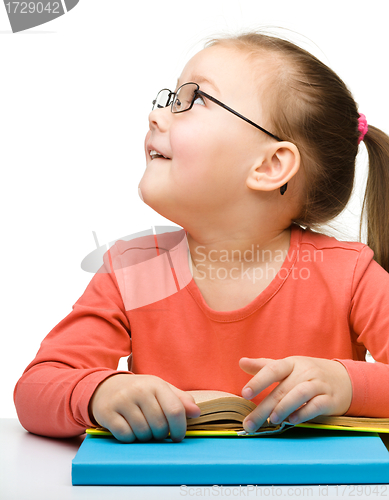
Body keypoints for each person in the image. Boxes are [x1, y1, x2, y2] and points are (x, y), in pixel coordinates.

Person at [14, 31, 389, 443]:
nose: (156, 116)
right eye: (170, 99)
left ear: (270, 165)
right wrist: (99, 392)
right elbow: (35, 390)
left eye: (194, 101)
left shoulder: (350, 275)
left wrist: (346, 383)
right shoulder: (133, 270)